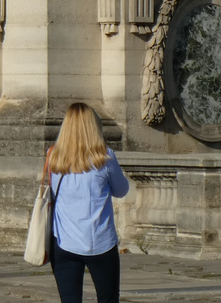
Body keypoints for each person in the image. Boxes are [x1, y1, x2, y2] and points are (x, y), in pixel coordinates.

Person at [41, 102, 130, 303]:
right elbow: (121, 191)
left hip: (64, 240)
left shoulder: (53, 157)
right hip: (100, 241)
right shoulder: (105, 157)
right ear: (94, 126)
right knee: (108, 299)